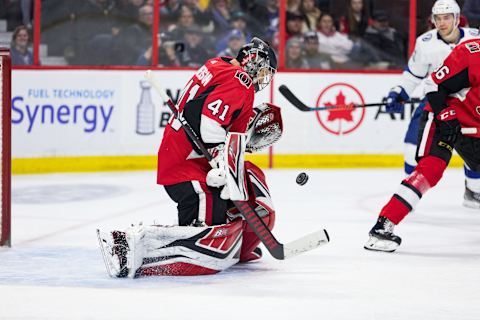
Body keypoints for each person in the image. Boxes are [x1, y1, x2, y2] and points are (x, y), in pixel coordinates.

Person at [98, 37, 280, 277]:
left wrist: (224, 162)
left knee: (218, 215)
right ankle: (127, 247)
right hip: (186, 165)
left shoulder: (218, 63)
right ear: (253, 60)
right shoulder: (241, 81)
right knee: (205, 241)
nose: (262, 79)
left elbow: (207, 116)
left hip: (183, 156)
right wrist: (220, 161)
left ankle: (236, 246)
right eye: (264, 71)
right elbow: (210, 125)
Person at [364, 36, 480, 252]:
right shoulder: (471, 53)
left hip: (474, 127)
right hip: (443, 119)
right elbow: (433, 84)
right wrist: (446, 116)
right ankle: (382, 227)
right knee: (431, 170)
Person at [383, 0, 480, 208]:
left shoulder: (475, 37)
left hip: (469, 105)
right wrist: (398, 93)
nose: (442, 22)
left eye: (447, 17)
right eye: (438, 18)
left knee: (475, 149)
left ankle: (473, 191)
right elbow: (413, 75)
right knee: (411, 150)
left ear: (457, 18)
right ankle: (410, 192)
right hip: (434, 102)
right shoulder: (425, 42)